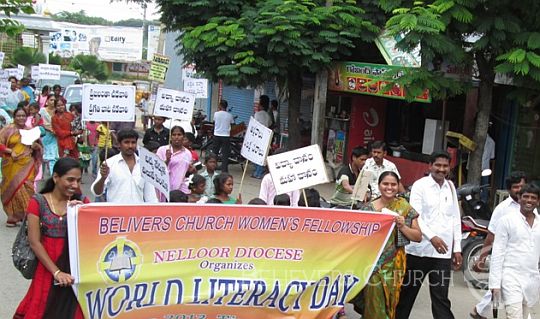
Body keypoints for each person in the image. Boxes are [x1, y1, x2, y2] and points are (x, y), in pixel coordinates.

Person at [13, 157, 88, 319]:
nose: (75, 185)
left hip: (74, 269)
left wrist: (83, 213)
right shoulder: (38, 202)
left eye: (78, 181)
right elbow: (34, 242)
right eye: (70, 180)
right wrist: (57, 272)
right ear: (55, 178)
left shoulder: (81, 202)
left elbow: (93, 235)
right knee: (41, 309)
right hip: (47, 269)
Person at [396, 151, 462, 319]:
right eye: (438, 165)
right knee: (406, 295)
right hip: (418, 251)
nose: (441, 169)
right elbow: (415, 216)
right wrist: (432, 237)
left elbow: (455, 218)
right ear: (430, 166)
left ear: (449, 167)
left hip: (442, 254)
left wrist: (457, 248)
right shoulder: (420, 185)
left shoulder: (451, 187)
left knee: (441, 298)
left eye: (445, 166)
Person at [352, 171, 422, 319]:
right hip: (372, 265)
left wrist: (403, 226)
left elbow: (418, 237)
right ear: (379, 186)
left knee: (390, 304)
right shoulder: (367, 209)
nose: (389, 187)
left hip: (395, 265)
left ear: (398, 186)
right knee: (374, 303)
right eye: (385, 184)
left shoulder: (403, 207)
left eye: (393, 184)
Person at [471, 171, 528, 319]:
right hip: (505, 258)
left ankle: (479, 311)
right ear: (509, 189)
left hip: (523, 258)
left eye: (522, 186)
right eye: (516, 187)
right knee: (508, 287)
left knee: (503, 288)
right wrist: (482, 258)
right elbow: (491, 236)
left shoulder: (530, 206)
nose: (520, 190)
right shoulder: (503, 209)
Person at [489, 184, 540, 319]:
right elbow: (497, 252)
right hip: (510, 277)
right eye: (526, 197)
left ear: (538, 201)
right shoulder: (507, 221)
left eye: (533, 198)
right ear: (519, 198)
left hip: (532, 279)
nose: (529, 200)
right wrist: (495, 284)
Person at [91, 129, 159, 203]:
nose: (130, 146)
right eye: (126, 142)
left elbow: (151, 197)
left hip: (138, 213)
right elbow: (97, 192)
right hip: (115, 213)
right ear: (119, 144)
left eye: (133, 142)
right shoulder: (109, 164)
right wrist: (103, 178)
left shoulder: (145, 165)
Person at [0, 107, 42, 226]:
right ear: (14, 117)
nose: (21, 118)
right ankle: (12, 217)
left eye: (23, 116)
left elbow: (39, 147)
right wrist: (9, 151)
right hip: (11, 165)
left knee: (27, 189)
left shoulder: (30, 131)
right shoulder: (7, 130)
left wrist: (36, 147)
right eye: (18, 116)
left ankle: (28, 216)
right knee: (12, 190)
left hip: (27, 165)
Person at [156, 126, 193, 200]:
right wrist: (167, 160)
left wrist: (191, 170)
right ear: (170, 137)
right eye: (174, 135)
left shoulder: (187, 153)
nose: (176, 137)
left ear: (183, 137)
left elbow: (187, 174)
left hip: (180, 190)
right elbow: (157, 169)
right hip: (163, 188)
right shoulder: (162, 150)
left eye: (179, 135)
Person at [251, 96, 272, 179]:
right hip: (265, 138)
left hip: (257, 137)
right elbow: (269, 124)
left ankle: (258, 172)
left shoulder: (257, 114)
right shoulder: (268, 115)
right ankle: (258, 172)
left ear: (260, 105)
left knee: (255, 155)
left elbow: (254, 125)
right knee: (262, 156)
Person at [212, 100, 234, 172]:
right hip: (226, 136)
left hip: (217, 135)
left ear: (220, 106)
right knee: (225, 154)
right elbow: (232, 124)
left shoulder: (216, 114)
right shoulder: (229, 115)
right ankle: (224, 170)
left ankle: (213, 166)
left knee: (215, 152)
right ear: (226, 106)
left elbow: (214, 122)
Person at [39, 95, 59, 175]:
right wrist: (48, 129)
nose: (53, 101)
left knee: (53, 156)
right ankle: (41, 174)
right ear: (47, 101)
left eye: (54, 100)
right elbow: (40, 123)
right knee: (43, 155)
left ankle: (52, 174)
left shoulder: (57, 111)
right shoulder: (42, 110)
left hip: (54, 136)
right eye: (51, 100)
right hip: (45, 135)